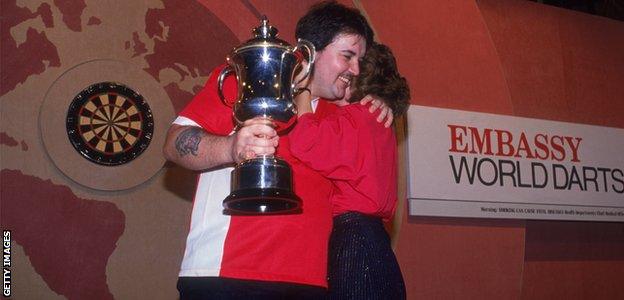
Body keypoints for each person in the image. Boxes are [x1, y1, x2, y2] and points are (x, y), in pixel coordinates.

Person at [163, 2, 392, 299]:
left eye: (360, 60)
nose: (356, 69)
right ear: (310, 51)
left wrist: (383, 103)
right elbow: (174, 144)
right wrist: (231, 147)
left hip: (313, 282)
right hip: (229, 275)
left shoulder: (340, 115)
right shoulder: (248, 78)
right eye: (347, 56)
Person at [289, 42, 410, 299]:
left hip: (355, 238)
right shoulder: (378, 119)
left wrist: (302, 92)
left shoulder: (357, 118)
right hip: (376, 241)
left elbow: (306, 141)